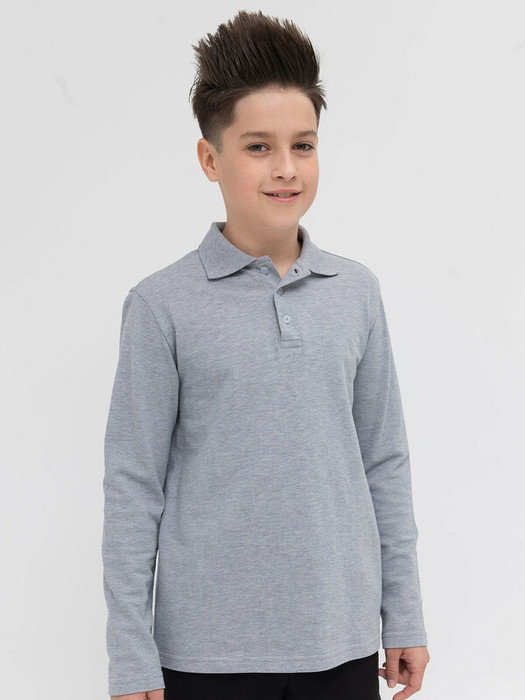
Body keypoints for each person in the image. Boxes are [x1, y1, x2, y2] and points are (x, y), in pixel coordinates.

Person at [101, 9, 430, 700]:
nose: (285, 169)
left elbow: (384, 461)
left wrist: (402, 615)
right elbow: (134, 485)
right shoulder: (161, 305)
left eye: (303, 145)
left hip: (342, 644)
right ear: (209, 159)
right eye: (258, 147)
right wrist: (131, 655)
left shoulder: (355, 292)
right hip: (206, 656)